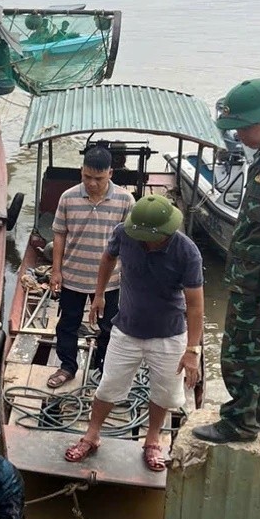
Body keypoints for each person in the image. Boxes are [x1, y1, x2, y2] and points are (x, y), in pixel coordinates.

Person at [193, 79, 260, 444]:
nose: (237, 135)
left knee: (240, 352)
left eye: (242, 127)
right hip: (252, 274)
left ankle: (238, 423)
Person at [63, 195, 204, 472]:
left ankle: (152, 440)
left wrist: (192, 350)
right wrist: (99, 294)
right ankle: (92, 435)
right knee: (108, 386)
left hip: (168, 334)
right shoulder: (123, 233)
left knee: (163, 392)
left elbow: (196, 304)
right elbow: (107, 258)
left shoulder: (187, 253)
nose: (143, 241)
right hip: (126, 328)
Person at [47, 145, 135, 390]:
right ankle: (67, 366)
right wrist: (56, 270)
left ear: (110, 174)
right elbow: (59, 234)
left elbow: (131, 243)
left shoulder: (126, 201)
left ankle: (102, 368)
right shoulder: (68, 197)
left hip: (111, 281)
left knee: (110, 327)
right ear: (81, 172)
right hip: (73, 275)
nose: (92, 183)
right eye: (87, 177)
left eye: (99, 178)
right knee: (68, 323)